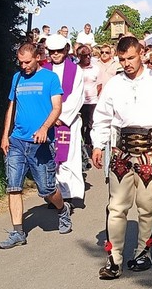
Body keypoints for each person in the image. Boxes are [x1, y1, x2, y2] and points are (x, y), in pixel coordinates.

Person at [90, 36, 152, 280]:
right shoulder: (114, 84)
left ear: (142, 53)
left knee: (146, 207)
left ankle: (143, 251)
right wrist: (97, 145)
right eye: (122, 59)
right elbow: (103, 115)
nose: (127, 63)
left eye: (131, 58)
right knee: (116, 206)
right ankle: (114, 258)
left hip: (151, 152)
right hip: (121, 151)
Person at [0, 42, 72, 249]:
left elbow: (57, 108)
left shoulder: (50, 78)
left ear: (38, 57)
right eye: (20, 62)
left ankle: (62, 209)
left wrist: (43, 128)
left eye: (27, 62)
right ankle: (17, 232)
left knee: (46, 190)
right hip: (17, 141)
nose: (24, 66)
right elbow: (11, 108)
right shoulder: (17, 78)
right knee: (13, 187)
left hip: (41, 144)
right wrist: (5, 136)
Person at [44, 35, 85, 202]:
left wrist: (60, 117)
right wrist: (51, 118)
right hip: (48, 123)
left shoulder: (76, 71)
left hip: (69, 122)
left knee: (67, 158)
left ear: (66, 50)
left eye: (59, 51)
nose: (55, 54)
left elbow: (77, 96)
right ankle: (52, 195)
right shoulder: (44, 70)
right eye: (52, 51)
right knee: (49, 158)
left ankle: (67, 195)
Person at [77, 45, 102, 170]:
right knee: (80, 126)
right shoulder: (75, 69)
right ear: (79, 57)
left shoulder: (95, 69)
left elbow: (99, 85)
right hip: (79, 102)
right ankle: (81, 150)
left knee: (92, 126)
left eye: (89, 55)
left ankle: (92, 147)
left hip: (92, 101)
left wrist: (95, 97)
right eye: (84, 56)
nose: (87, 58)